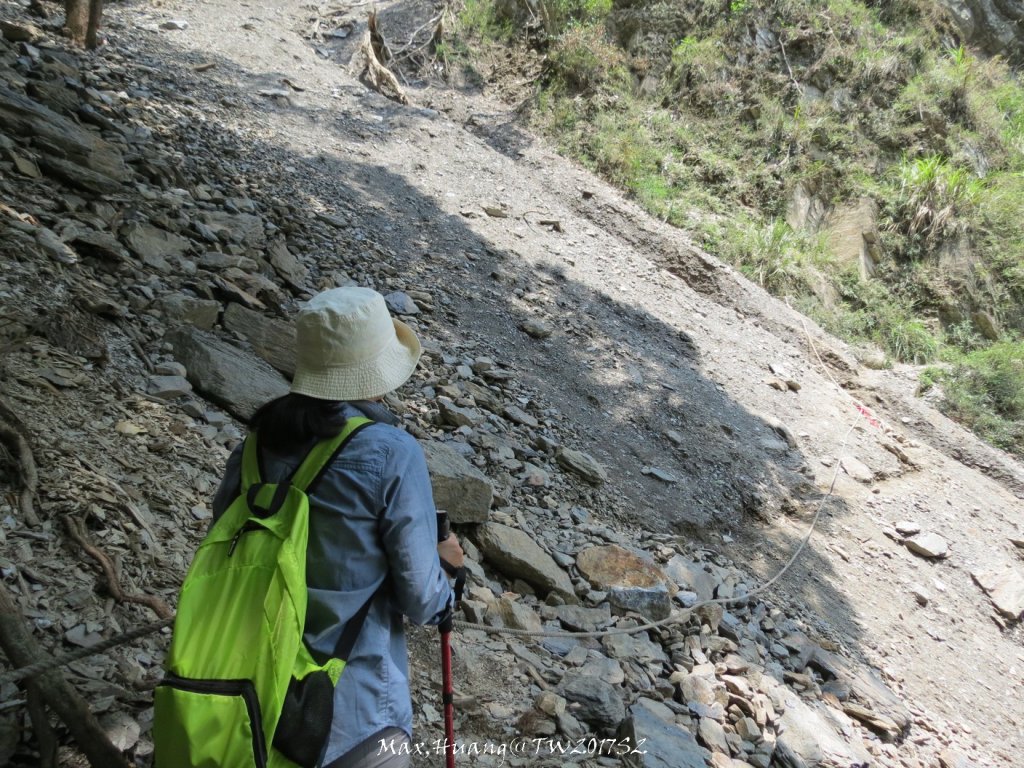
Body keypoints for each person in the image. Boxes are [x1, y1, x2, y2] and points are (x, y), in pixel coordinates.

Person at [211, 286, 464, 768]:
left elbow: (223, 539)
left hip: (244, 682)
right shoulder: (391, 451)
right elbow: (422, 600)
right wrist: (447, 569)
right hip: (351, 710)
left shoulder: (258, 441)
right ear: (376, 372)